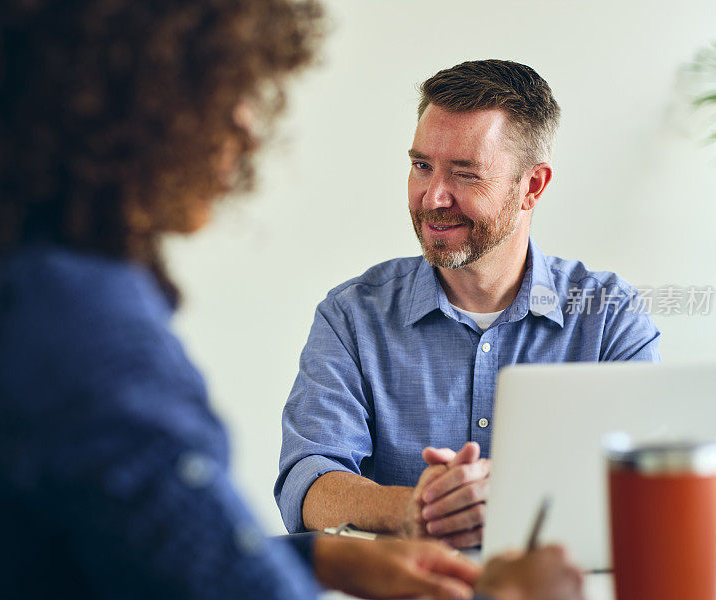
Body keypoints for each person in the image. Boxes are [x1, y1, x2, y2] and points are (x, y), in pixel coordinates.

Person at [0, 1, 585, 599]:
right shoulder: (80, 326)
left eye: (466, 172)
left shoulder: (0, 282)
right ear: (128, 107)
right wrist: (504, 589)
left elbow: (135, 554)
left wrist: (329, 558)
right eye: (225, 94)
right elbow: (240, 579)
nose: (249, 129)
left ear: (532, 186)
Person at [275, 59, 662, 548]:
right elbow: (309, 479)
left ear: (532, 186)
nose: (433, 196)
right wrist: (415, 509)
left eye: (465, 174)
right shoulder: (352, 315)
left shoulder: (609, 315)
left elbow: (649, 485)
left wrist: (508, 495)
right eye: (421, 166)